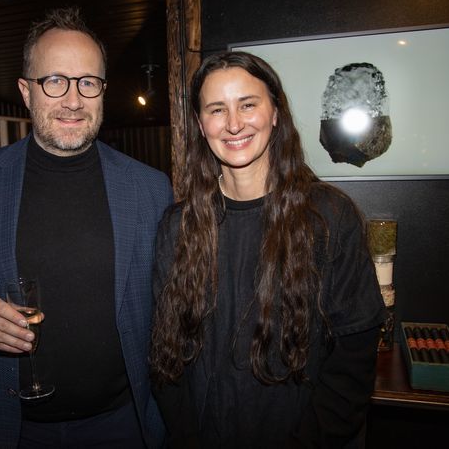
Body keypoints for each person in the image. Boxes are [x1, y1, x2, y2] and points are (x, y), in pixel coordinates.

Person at [0, 6, 172, 448]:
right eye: (54, 81)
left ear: (103, 91)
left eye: (88, 83)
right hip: (8, 429)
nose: (73, 100)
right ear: (25, 91)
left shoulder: (150, 188)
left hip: (122, 426)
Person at [150, 51, 386, 448]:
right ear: (199, 123)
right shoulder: (178, 227)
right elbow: (165, 359)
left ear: (275, 112)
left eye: (248, 104)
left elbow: (354, 360)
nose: (234, 124)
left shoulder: (329, 216)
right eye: (216, 109)